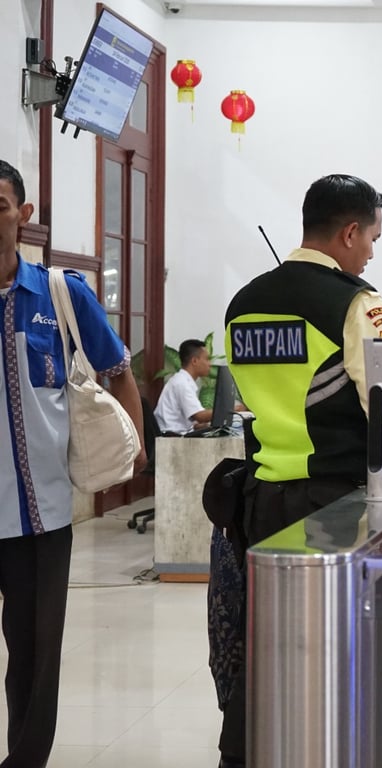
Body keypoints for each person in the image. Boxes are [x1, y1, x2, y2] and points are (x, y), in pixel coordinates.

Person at [221, 174, 382, 768]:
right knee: (334, 651)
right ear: (350, 232)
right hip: (332, 507)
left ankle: (247, 753)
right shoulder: (356, 303)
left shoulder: (242, 303)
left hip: (259, 498)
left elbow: (255, 399)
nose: (372, 252)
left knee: (263, 644)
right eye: (372, 238)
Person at [0, 159, 145, 768]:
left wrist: (133, 446)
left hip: (43, 513)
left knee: (35, 654)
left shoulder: (60, 294)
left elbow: (118, 371)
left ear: (23, 215)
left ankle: (26, 758)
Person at [154, 338, 214, 433]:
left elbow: (194, 422)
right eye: (207, 359)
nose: (209, 364)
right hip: (171, 436)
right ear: (194, 361)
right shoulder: (181, 383)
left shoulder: (184, 380)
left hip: (178, 433)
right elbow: (200, 416)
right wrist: (231, 411)